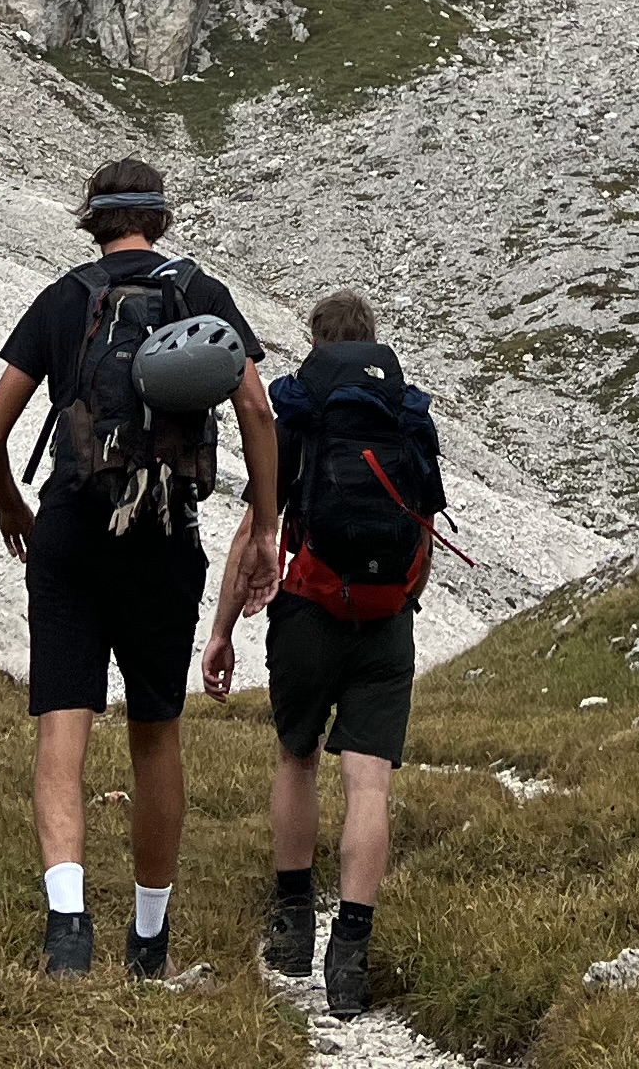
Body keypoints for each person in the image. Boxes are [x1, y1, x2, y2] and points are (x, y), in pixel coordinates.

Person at [0, 156, 278, 980]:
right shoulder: (202, 294)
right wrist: (266, 530)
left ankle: (68, 926)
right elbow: (255, 409)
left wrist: (13, 508)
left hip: (71, 529)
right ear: (161, 217)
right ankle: (149, 936)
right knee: (155, 733)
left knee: (63, 727)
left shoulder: (63, 298)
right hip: (163, 535)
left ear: (91, 220)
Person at [206, 287, 446, 1021]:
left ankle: (291, 924)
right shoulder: (408, 416)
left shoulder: (301, 414)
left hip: (308, 610)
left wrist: (221, 633)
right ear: (372, 339)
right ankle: (351, 954)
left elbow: (256, 533)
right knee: (368, 783)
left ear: (314, 342)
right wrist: (400, 603)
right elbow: (424, 531)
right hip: (386, 619)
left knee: (298, 755)